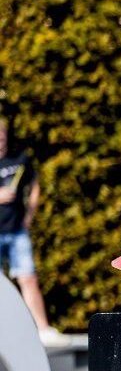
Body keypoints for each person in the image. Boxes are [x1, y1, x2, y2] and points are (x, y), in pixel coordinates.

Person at [0, 117, 65, 345]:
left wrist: (29, 215)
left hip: (17, 231)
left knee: (28, 278)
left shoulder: (19, 159)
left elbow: (34, 185)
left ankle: (43, 329)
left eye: (2, 135)